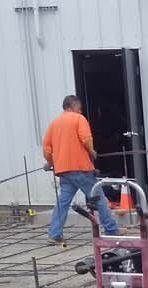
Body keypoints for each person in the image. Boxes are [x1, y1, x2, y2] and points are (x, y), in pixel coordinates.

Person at [43, 94, 120, 244]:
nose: (81, 110)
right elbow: (86, 138)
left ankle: (54, 234)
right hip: (80, 168)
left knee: (62, 203)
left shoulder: (54, 123)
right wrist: (92, 152)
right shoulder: (79, 119)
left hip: (64, 171)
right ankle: (111, 229)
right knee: (99, 198)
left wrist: (51, 162)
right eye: (79, 107)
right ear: (73, 105)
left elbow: (46, 148)